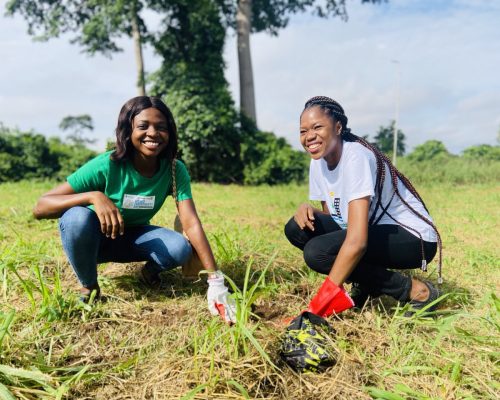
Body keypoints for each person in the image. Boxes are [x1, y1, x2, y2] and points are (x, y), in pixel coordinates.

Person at [33, 96, 236, 323]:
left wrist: (216, 281)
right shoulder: (107, 164)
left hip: (134, 238)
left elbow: (190, 222)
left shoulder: (174, 170)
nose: (153, 133)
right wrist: (93, 196)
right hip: (95, 241)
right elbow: (41, 206)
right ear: (127, 130)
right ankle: (89, 287)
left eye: (161, 127)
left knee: (179, 248)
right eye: (143, 126)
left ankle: (149, 273)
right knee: (77, 218)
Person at [284, 96, 442, 318]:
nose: (309, 136)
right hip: (374, 230)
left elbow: (356, 241)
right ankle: (368, 284)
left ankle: (419, 292)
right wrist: (307, 208)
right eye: (303, 131)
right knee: (296, 229)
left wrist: (320, 305)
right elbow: (338, 220)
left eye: (317, 127)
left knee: (318, 253)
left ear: (338, 127)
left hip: (413, 237)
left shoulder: (355, 157)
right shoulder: (318, 162)